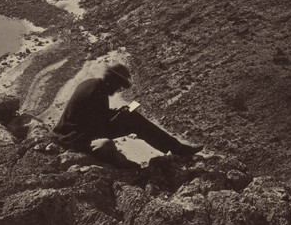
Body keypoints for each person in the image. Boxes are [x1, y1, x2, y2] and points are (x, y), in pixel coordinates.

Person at [53, 62, 202, 167]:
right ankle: (177, 149)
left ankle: (175, 148)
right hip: (74, 137)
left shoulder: (93, 84)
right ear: (111, 80)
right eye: (118, 85)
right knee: (133, 120)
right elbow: (97, 127)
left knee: (130, 117)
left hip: (75, 132)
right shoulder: (96, 91)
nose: (117, 90)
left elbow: (96, 116)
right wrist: (121, 117)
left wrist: (119, 114)